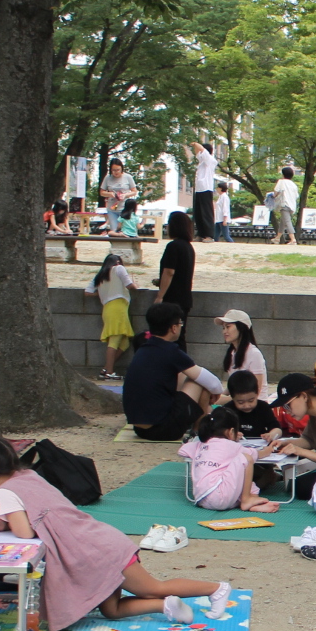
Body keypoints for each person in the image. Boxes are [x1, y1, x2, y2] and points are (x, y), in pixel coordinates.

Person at [0, 437, 232, 626]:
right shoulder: (27, 476)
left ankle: (216, 588)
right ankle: (166, 606)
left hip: (99, 549)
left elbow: (22, 532)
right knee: (111, 610)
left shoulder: (5, 490)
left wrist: (4, 520)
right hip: (96, 543)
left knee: (151, 587)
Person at [121, 302, 216, 441]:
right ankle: (198, 430)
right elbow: (212, 382)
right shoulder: (171, 351)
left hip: (140, 430)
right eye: (180, 323)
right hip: (165, 430)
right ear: (173, 328)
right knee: (199, 381)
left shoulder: (144, 348)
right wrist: (217, 392)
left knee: (183, 375)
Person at [180, 407, 281, 513]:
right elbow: (256, 454)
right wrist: (269, 449)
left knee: (240, 476)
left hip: (201, 499)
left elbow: (182, 451)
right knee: (246, 459)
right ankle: (247, 500)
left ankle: (250, 503)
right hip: (220, 496)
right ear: (232, 432)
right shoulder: (232, 446)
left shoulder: (200, 445)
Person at [84, 253, 135, 381]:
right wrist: (136, 286)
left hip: (107, 308)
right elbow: (129, 285)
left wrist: (103, 294)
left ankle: (105, 369)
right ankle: (110, 372)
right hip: (119, 308)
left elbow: (88, 292)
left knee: (124, 343)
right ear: (118, 262)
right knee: (115, 340)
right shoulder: (119, 268)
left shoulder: (101, 274)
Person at [152, 210, 196, 345]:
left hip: (172, 299)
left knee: (168, 337)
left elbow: (169, 272)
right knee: (180, 336)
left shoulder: (173, 246)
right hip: (185, 298)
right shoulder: (189, 247)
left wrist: (160, 296)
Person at [216, 309, 268, 399]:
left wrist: (223, 400)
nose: (224, 332)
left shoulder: (254, 354)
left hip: (254, 404)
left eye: (228, 327)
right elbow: (233, 385)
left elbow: (256, 390)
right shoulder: (232, 353)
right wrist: (221, 396)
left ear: (241, 328)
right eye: (223, 328)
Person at [224, 370, 280, 441]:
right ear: (232, 397)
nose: (247, 405)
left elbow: (277, 428)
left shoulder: (263, 407)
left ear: (257, 393)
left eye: (251, 400)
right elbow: (217, 431)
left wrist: (271, 435)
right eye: (241, 402)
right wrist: (229, 435)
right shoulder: (227, 410)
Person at [187, 140, 218, 242]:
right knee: (198, 212)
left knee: (206, 212)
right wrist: (195, 147)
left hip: (206, 188)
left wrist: (194, 143)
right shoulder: (201, 162)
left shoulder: (210, 160)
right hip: (199, 189)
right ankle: (201, 234)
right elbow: (198, 152)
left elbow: (201, 149)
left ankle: (209, 235)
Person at [268, 167, 300, 245]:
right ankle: (277, 238)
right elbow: (296, 196)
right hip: (291, 205)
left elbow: (276, 193)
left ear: (283, 174)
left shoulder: (281, 182)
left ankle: (293, 239)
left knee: (287, 221)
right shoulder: (293, 184)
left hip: (284, 204)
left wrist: (271, 196)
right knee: (283, 221)